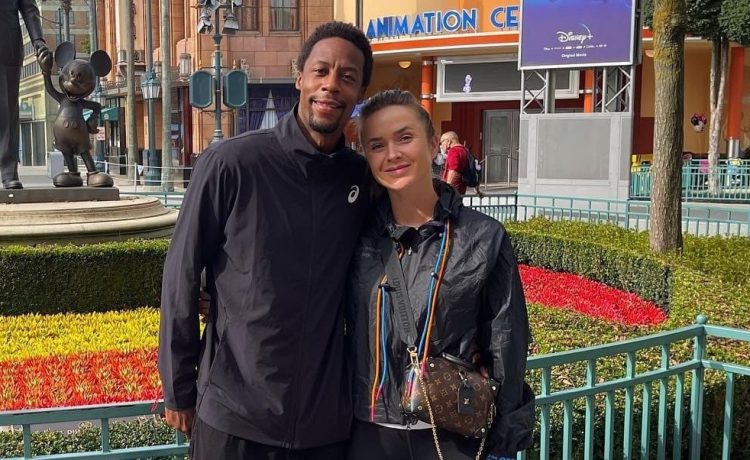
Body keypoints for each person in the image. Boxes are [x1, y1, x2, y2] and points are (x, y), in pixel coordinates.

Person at [158, 21, 373, 460]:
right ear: (300, 77)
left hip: (323, 428)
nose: (331, 85)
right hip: (233, 418)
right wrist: (177, 389)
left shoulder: (361, 180)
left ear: (360, 92)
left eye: (347, 77)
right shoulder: (232, 163)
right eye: (321, 71)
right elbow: (181, 276)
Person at [347, 90, 534, 460]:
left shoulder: (483, 237)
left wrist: (505, 436)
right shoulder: (354, 235)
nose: (392, 154)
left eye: (405, 137)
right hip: (366, 433)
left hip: (449, 436)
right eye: (377, 145)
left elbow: (506, 340)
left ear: (434, 145)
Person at [0, 0, 51, 189]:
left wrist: (38, 40)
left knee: (8, 113)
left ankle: (9, 172)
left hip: (6, 48)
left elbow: (29, 8)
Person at [440, 131, 483, 197]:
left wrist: (446, 191)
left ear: (448, 141)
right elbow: (473, 169)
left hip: (452, 193)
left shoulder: (454, 151)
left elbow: (453, 172)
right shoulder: (465, 150)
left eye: (442, 142)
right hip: (460, 192)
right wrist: (478, 191)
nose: (441, 145)